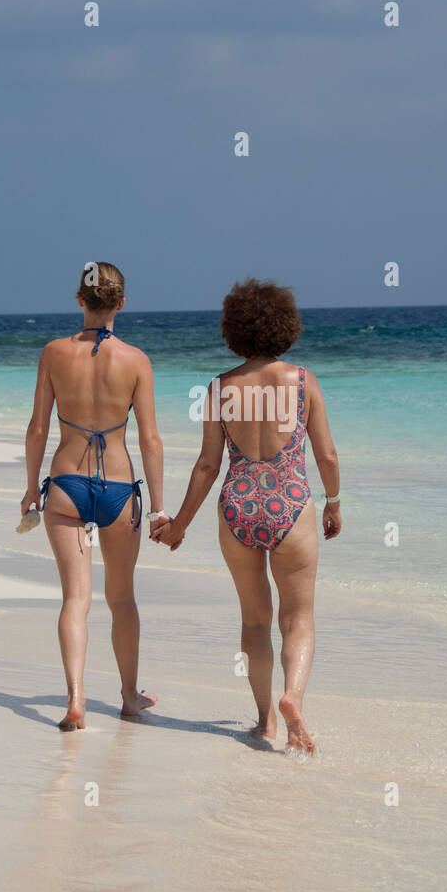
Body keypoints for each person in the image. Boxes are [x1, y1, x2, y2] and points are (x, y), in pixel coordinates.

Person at [152, 278, 341, 754]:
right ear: (286, 326)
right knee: (298, 618)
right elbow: (328, 455)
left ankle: (264, 723)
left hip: (238, 504)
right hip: (291, 504)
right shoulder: (302, 380)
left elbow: (207, 465)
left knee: (254, 621)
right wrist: (335, 501)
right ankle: (291, 699)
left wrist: (178, 525)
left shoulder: (219, 388)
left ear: (233, 328)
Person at [22, 262, 168, 729]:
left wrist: (30, 488)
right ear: (122, 303)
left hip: (65, 485)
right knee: (122, 599)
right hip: (120, 491)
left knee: (75, 600)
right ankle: (128, 696)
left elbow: (39, 427)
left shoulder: (52, 353)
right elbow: (149, 440)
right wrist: (161, 507)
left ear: (78, 300)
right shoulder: (136, 360)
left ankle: (77, 699)